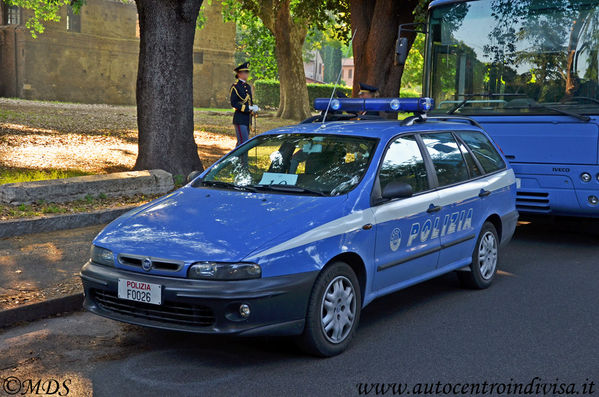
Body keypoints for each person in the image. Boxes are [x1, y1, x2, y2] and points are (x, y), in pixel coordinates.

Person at [230, 62, 259, 147]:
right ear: (239, 74)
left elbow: (250, 101)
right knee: (243, 144)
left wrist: (253, 109)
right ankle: (243, 161)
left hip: (247, 119)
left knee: (242, 143)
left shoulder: (248, 86)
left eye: (247, 72)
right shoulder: (235, 87)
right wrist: (247, 108)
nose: (247, 74)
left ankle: (238, 160)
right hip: (240, 118)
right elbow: (234, 103)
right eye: (245, 72)